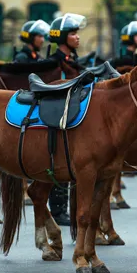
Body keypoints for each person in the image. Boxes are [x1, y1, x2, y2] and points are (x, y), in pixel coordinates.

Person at [45, 13, 88, 226]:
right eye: (73, 34)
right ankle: (58, 208)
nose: (77, 37)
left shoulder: (72, 60)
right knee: (58, 160)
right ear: (62, 38)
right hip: (58, 115)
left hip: (72, 112)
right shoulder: (54, 62)